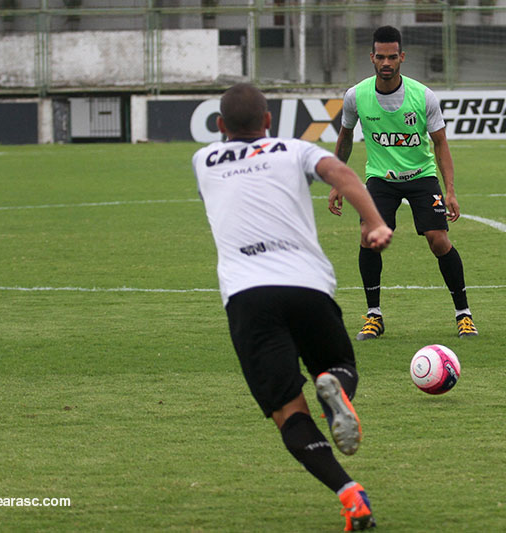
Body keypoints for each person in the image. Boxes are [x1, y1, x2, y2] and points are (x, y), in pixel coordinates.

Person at [192, 83, 392, 531]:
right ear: (268, 122)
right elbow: (342, 174)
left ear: (221, 126)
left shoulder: (203, 160)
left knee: (289, 413)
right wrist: (375, 223)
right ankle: (332, 382)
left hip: (248, 296)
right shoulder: (294, 149)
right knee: (340, 364)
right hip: (306, 286)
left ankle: (350, 494)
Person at [328, 25, 477, 341]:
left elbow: (440, 144)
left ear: (402, 57)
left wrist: (449, 190)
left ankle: (464, 314)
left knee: (438, 239)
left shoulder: (423, 96)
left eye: (392, 57)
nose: (386, 63)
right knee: (369, 237)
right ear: (371, 57)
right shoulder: (356, 96)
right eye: (380, 57)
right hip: (381, 179)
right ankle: (374, 316)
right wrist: (337, 181)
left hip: (422, 176)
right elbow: (345, 138)